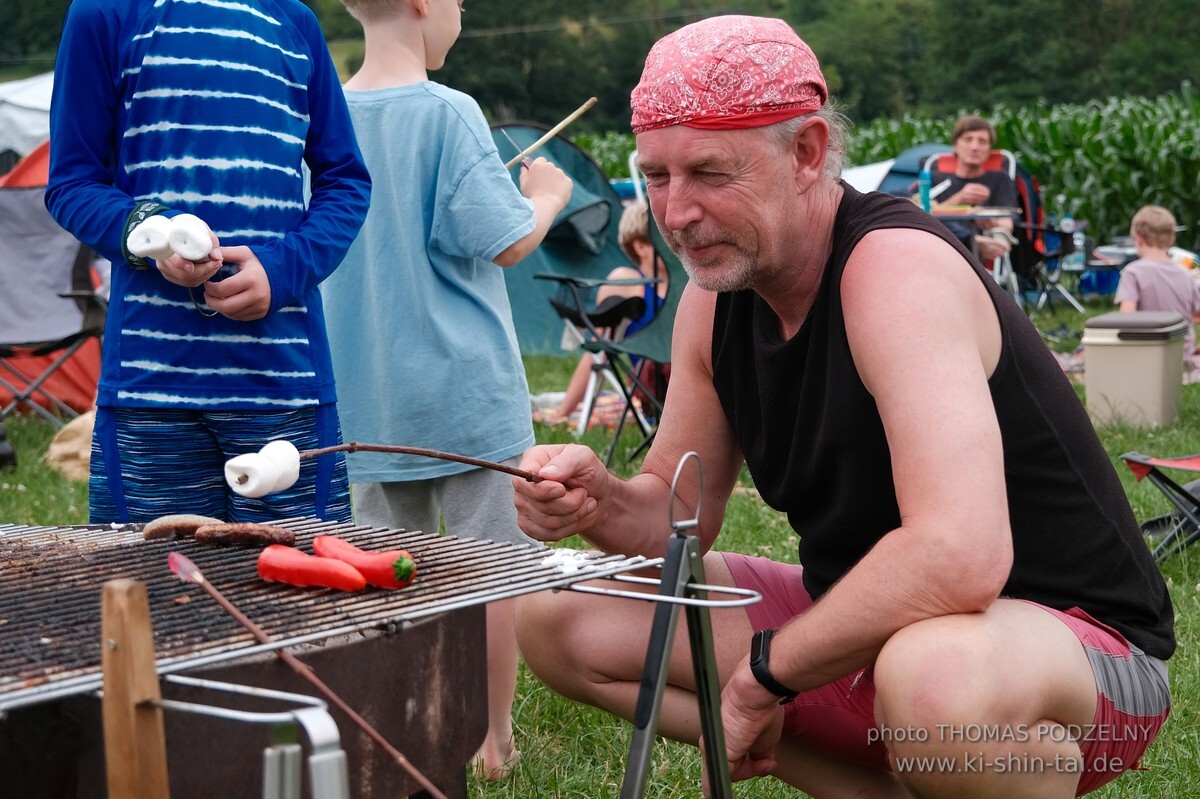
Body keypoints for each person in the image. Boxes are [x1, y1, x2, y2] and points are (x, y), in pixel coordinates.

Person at [511, 15, 1173, 799]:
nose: (675, 212)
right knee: (559, 608)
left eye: (709, 173)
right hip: (867, 627)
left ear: (807, 152)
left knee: (935, 679)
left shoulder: (894, 271)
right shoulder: (712, 304)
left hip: (1071, 651)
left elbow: (961, 555)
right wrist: (598, 499)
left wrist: (765, 676)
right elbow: (676, 519)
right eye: (656, 176)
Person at [321, 0, 573, 781]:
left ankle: (395, 728)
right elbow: (505, 241)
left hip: (366, 401)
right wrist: (547, 196)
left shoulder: (323, 114)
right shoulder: (449, 110)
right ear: (426, 5)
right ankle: (490, 741)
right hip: (468, 399)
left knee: (376, 575)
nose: (463, 15)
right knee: (490, 573)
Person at [44, 0, 371, 524]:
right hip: (148, 391)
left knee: (302, 591)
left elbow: (346, 180)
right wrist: (150, 234)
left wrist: (285, 268)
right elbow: (71, 183)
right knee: (149, 589)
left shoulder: (295, 21)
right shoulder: (103, 13)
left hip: (283, 383)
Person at [544, 199, 668, 427]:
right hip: (657, 384)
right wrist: (564, 412)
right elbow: (599, 350)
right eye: (663, 237)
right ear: (641, 246)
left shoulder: (686, 284)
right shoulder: (628, 282)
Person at [1114, 205, 1200, 376]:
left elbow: (1126, 320)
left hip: (1147, 356)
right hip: (1181, 355)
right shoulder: (1186, 274)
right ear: (1171, 240)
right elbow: (1197, 314)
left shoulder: (1133, 272)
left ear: (1137, 239)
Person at [929, 114, 1019, 263]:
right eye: (968, 139)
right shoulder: (936, 180)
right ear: (955, 146)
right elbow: (923, 216)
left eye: (982, 141)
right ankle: (971, 242)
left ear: (989, 149)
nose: (975, 147)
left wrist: (992, 222)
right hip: (942, 251)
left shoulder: (999, 179)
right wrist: (959, 199)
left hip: (982, 257)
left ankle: (972, 243)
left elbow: (1006, 225)